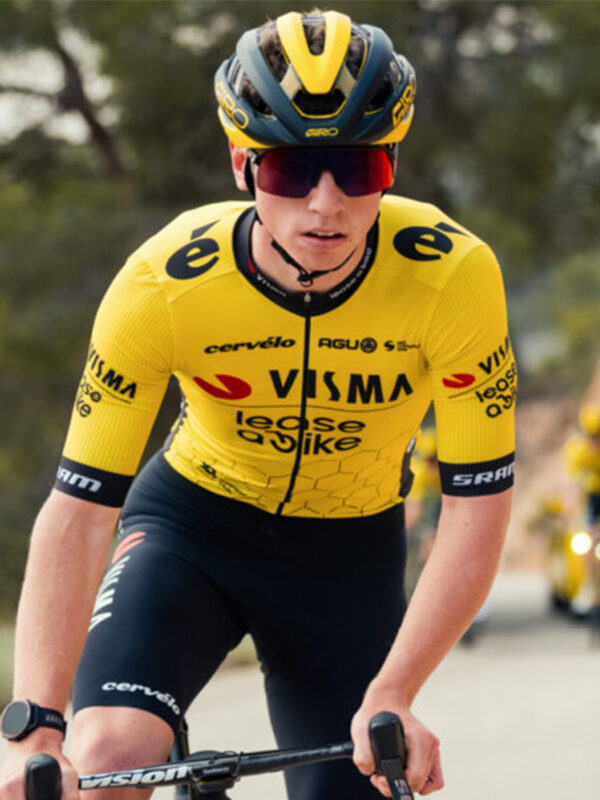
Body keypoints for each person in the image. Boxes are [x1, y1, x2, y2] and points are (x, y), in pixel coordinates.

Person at [0, 9, 516, 800]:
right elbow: (78, 512)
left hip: (348, 556)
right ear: (242, 165)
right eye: (289, 171)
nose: (325, 204)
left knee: (364, 777)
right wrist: (35, 728)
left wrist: (395, 692)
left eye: (357, 168)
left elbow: (477, 508)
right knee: (105, 762)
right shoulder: (162, 284)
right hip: (194, 530)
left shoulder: (453, 279)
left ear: (393, 164)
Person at [564, 403, 600, 527]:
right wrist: (567, 510)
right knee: (589, 522)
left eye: (598, 435)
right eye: (592, 437)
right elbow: (572, 483)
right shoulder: (577, 452)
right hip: (591, 496)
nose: (596, 441)